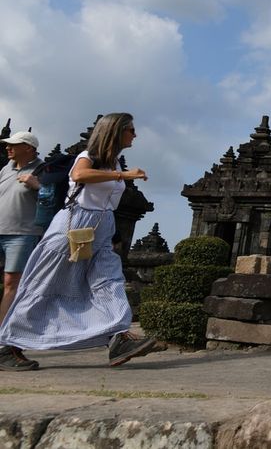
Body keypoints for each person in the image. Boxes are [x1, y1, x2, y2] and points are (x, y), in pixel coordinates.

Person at [0, 113, 157, 372]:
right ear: (115, 132)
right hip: (74, 227)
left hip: (101, 228)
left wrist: (114, 234)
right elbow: (79, 174)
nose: (135, 135)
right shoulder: (89, 155)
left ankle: (118, 337)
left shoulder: (114, 162)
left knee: (110, 281)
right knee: (45, 284)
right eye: (131, 130)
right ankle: (8, 345)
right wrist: (124, 176)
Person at [0, 131, 43, 370]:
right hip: (0, 229)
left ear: (28, 147)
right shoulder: (5, 169)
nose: (8, 148)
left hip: (23, 233)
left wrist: (37, 185)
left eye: (13, 145)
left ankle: (4, 343)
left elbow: (54, 198)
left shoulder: (43, 170)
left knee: (11, 284)